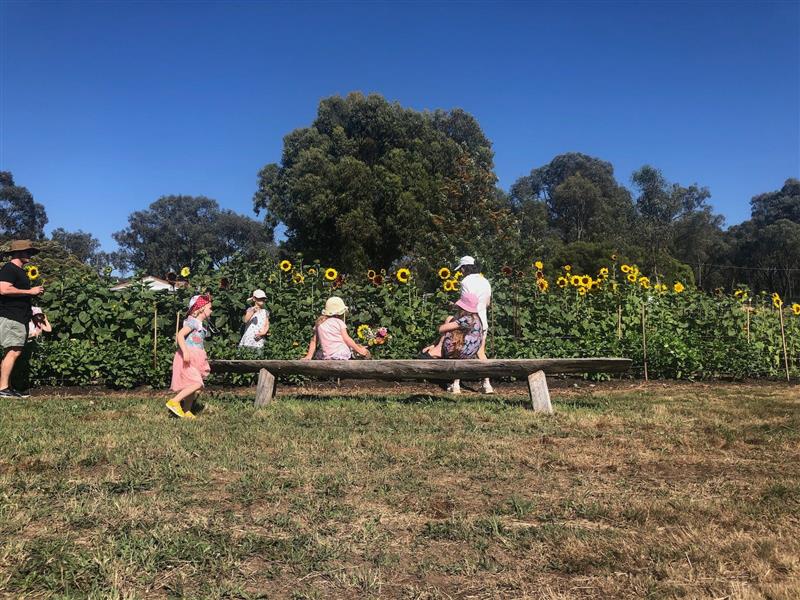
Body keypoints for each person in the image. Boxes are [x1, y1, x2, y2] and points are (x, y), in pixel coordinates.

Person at [0, 240, 44, 398]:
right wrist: (30, 292)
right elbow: (3, 289)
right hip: (12, 316)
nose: (30, 255)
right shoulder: (9, 269)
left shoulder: (19, 271)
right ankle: (3, 389)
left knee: (12, 351)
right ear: (18, 253)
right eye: (28, 252)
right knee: (13, 351)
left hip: (19, 316)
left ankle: (7, 387)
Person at [166, 294, 212, 419]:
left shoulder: (200, 324)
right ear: (201, 308)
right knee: (197, 383)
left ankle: (187, 410)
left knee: (191, 385)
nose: (211, 311)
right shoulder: (193, 322)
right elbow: (180, 335)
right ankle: (174, 401)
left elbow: (197, 341)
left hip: (197, 357)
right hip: (188, 356)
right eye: (209, 308)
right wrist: (185, 352)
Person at [452, 255, 493, 394]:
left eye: (461, 269)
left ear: (464, 268)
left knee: (459, 350)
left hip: (468, 320)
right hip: (482, 320)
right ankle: (487, 385)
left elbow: (464, 304)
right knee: (481, 352)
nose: (461, 272)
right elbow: (487, 303)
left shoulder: (465, 282)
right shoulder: (485, 281)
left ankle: (456, 385)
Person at [419, 292, 484, 360]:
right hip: (469, 353)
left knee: (449, 319)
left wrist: (450, 320)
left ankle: (439, 348)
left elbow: (441, 329)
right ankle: (437, 347)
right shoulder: (477, 319)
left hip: (460, 352)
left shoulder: (468, 319)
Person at [302, 296, 369, 360]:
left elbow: (314, 341)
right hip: (341, 353)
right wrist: (359, 350)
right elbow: (347, 339)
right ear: (340, 313)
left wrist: (309, 356)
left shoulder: (319, 323)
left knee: (321, 351)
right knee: (359, 350)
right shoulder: (339, 322)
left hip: (327, 356)